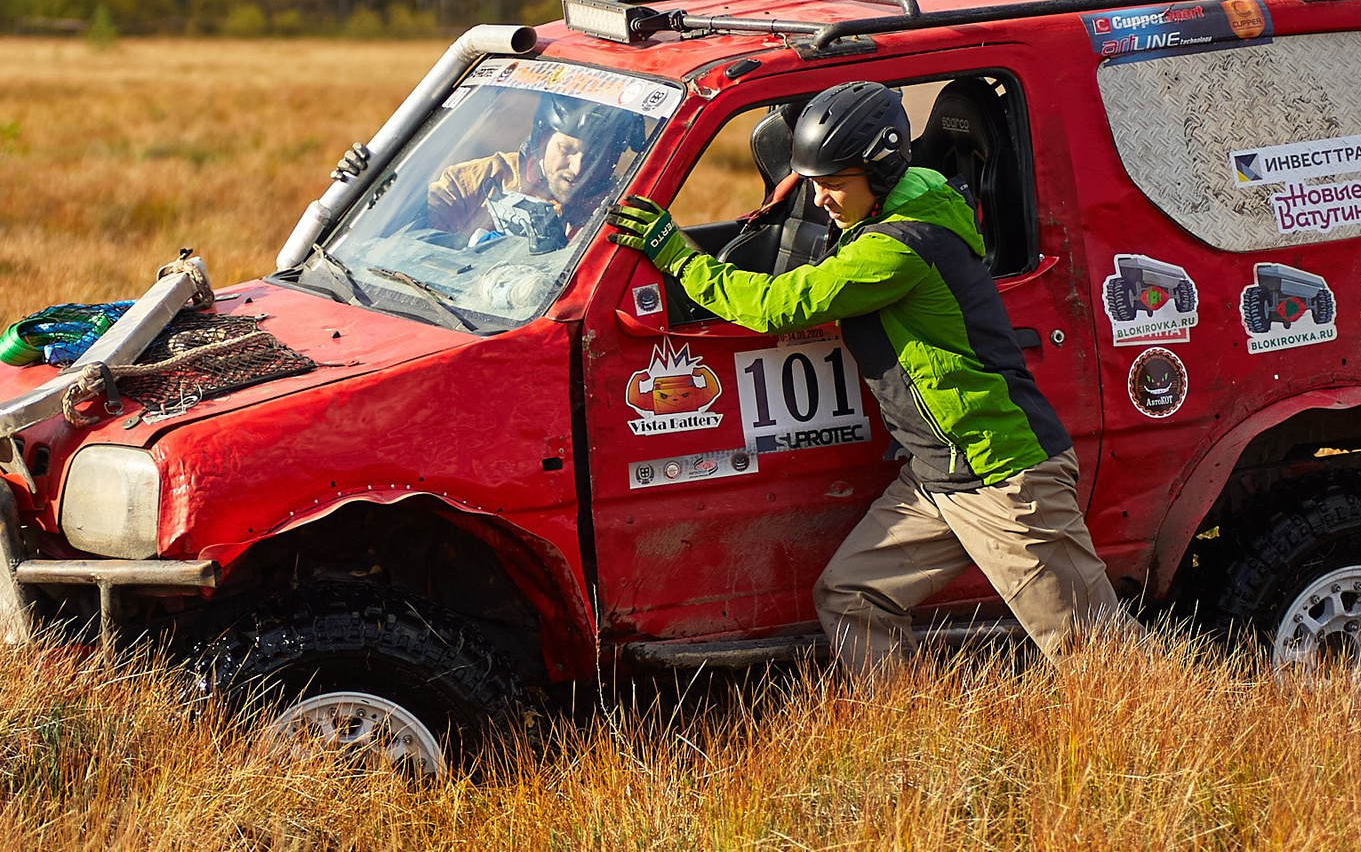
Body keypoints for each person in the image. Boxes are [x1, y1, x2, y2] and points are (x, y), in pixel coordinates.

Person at [605, 81, 1126, 672]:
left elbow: (782, 305)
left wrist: (675, 255)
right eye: (812, 182)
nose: (820, 197)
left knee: (1098, 654)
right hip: (941, 474)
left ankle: (1183, 741)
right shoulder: (903, 199)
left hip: (1002, 474)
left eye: (833, 183)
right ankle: (907, 737)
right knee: (853, 596)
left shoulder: (899, 246)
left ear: (878, 173)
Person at [427, 97, 631, 251]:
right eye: (566, 150)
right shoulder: (471, 181)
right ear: (542, 141)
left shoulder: (620, 211)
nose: (578, 168)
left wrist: (664, 260)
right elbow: (413, 237)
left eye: (594, 156)